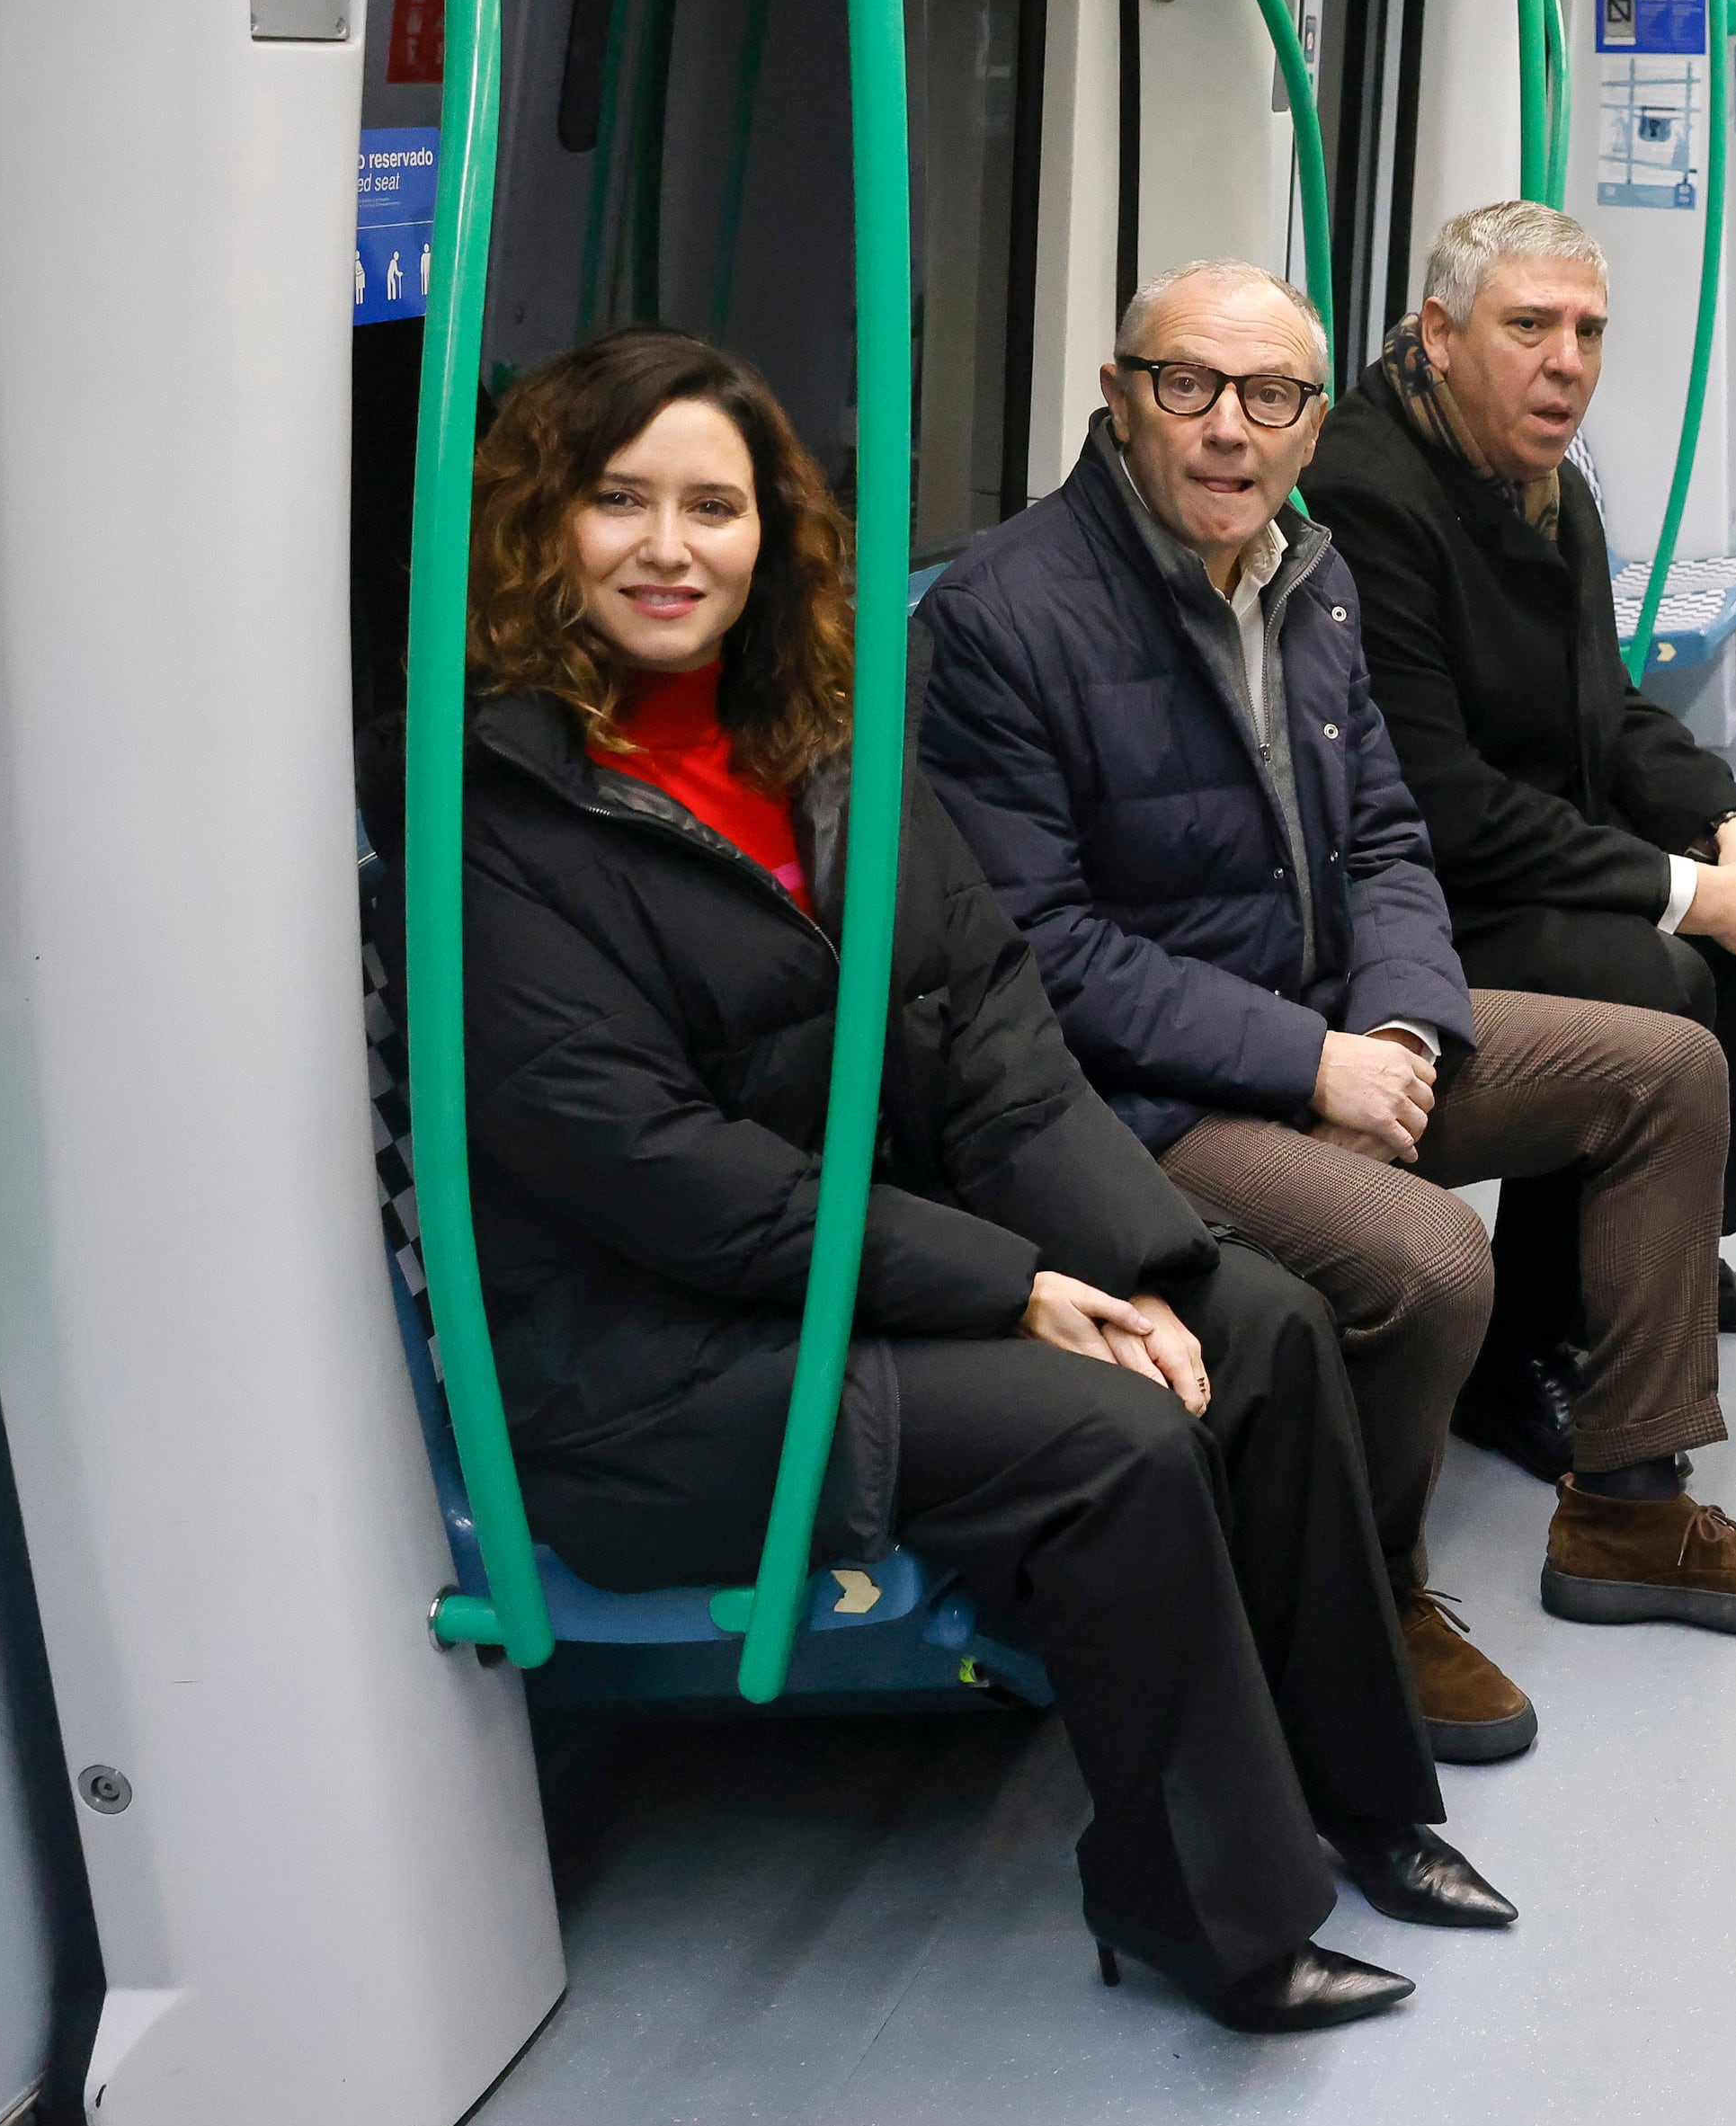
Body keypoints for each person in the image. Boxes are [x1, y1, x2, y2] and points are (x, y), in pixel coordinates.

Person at [430, 328, 1506, 2037]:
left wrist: (1142, 1257)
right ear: (540, 527)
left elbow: (990, 1023)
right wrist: (1013, 1286)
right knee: (1115, 1438)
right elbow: (667, 1177)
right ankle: (1193, 1910)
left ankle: (1365, 1798)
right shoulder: (486, 809)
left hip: (863, 1253)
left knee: (1268, 1327)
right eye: (618, 501)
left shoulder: (819, 743)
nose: (667, 545)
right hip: (658, 1356)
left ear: (768, 535)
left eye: (713, 505)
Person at [922, 265, 1736, 1764]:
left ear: (1310, 423)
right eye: (1191, 387)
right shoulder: (1005, 618)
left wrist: (1409, 1032)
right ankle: (1369, 1591)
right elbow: (1047, 952)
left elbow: (1387, 844)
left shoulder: (1307, 575)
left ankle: (1627, 1508)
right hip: (1134, 1105)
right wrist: (1310, 1061)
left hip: (1330, 1028)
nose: (1232, 431)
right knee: (1432, 1258)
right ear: (1116, 395)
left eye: (1273, 398)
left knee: (1668, 1065)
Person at [1309, 204, 1736, 1490]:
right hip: (1413, 891)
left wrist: (1729, 827)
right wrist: (1693, 896)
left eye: (1588, 331)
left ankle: (1658, 1257)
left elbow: (1605, 710)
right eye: (1530, 328)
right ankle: (1520, 1352)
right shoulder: (1365, 491)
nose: (1568, 361)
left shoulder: (1548, 474)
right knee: (1660, 971)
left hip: (1528, 842)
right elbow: (1440, 800)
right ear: (1439, 337)